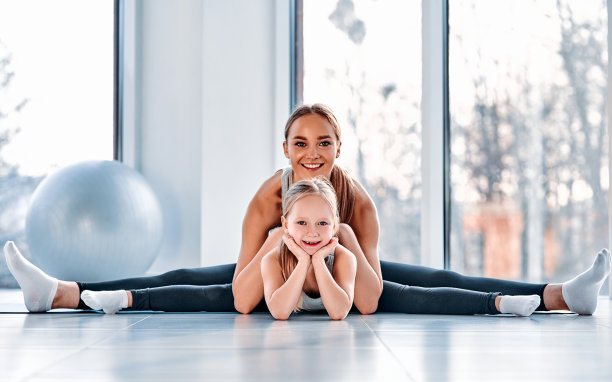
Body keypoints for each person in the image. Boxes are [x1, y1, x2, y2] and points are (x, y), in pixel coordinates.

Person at [3, 103, 611, 316]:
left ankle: (560, 295)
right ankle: (60, 293)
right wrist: (279, 249)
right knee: (185, 282)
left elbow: (372, 297)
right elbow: (244, 296)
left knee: (434, 282)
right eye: (300, 143)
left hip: (345, 279)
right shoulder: (267, 201)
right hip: (274, 283)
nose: (312, 154)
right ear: (285, 149)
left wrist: (337, 245)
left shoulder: (359, 204)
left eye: (324, 143)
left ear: (339, 149)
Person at [261, 177, 356, 320]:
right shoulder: (271, 259)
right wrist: (303, 261)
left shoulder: (345, 258)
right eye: (302, 222)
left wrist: (318, 260)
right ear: (285, 225)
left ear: (334, 226)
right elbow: (280, 312)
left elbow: (339, 312)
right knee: (216, 293)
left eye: (322, 223)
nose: (312, 233)